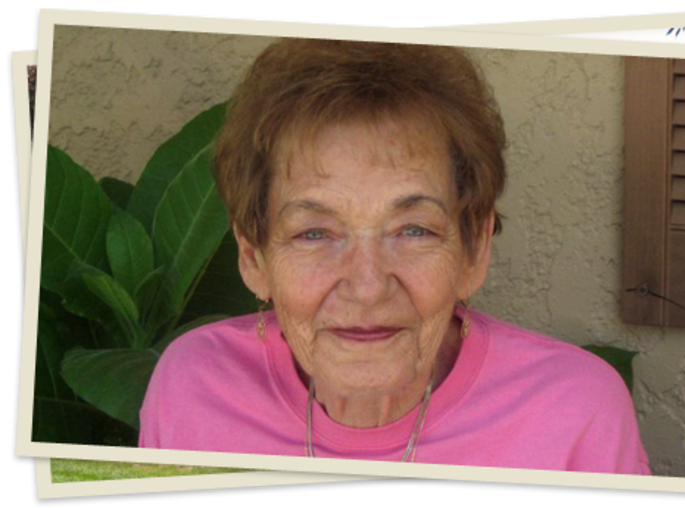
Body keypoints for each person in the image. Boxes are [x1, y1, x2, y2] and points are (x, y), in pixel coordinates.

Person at [139, 38, 651, 474]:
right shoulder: (192, 389)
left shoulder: (576, 415)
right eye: (314, 233)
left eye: (413, 229)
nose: (367, 285)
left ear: (474, 250)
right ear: (253, 258)